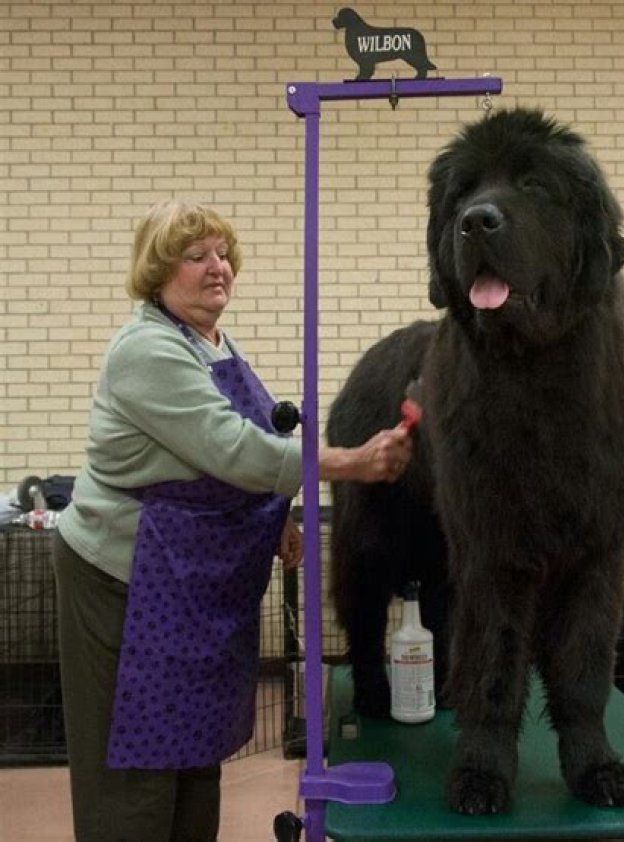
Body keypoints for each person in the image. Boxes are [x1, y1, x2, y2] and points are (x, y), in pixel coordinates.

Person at [52, 199, 412, 842]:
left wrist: (270, 517)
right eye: (197, 258)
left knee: (193, 743)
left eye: (223, 255)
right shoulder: (147, 350)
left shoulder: (211, 340)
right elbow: (232, 448)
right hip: (124, 576)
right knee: (134, 763)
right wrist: (350, 462)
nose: (218, 269)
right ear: (160, 272)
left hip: (184, 579)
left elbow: (244, 439)